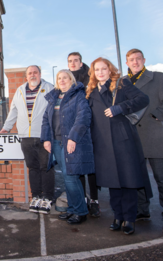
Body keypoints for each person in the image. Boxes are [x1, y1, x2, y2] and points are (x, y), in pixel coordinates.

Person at [87, 57, 151, 235]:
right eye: (97, 70)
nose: (100, 72)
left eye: (103, 69)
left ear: (110, 70)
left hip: (123, 141)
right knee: (112, 181)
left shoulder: (121, 84)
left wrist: (121, 107)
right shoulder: (91, 92)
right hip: (102, 143)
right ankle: (118, 216)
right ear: (93, 73)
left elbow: (143, 99)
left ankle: (129, 219)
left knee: (128, 180)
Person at [125, 49, 163, 234]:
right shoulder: (123, 82)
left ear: (144, 60)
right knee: (138, 176)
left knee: (162, 178)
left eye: (138, 59)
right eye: (131, 59)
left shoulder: (158, 78)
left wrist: (156, 115)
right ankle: (142, 209)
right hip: (132, 137)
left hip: (153, 134)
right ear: (127, 62)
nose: (135, 62)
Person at [0, 65, 55, 214]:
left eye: (35, 72)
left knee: (46, 167)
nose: (33, 75)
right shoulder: (20, 91)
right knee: (33, 167)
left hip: (44, 135)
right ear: (26, 76)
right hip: (26, 136)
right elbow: (13, 111)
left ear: (40, 74)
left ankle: (48, 198)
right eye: (30, 73)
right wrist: (6, 127)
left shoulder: (49, 88)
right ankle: (36, 196)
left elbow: (55, 111)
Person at [41, 70, 94, 224]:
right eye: (59, 78)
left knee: (71, 177)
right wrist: (46, 139)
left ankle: (81, 211)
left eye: (65, 78)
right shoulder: (54, 98)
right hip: (56, 142)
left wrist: (73, 137)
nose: (62, 80)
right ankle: (72, 209)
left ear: (71, 80)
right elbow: (46, 120)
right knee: (67, 176)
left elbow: (83, 117)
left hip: (70, 142)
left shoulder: (78, 96)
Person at [67, 52, 100, 217]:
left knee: (91, 167)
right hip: (75, 129)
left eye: (75, 61)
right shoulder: (68, 81)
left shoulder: (91, 80)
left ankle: (95, 200)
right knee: (79, 165)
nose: (73, 63)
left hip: (92, 127)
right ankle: (84, 199)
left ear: (81, 63)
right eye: (70, 61)